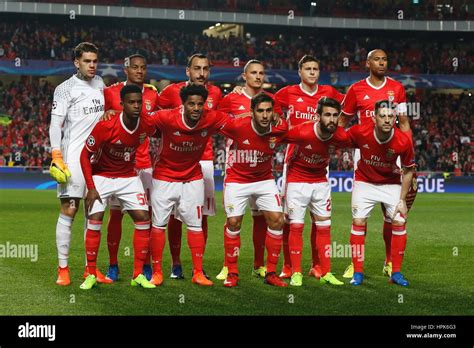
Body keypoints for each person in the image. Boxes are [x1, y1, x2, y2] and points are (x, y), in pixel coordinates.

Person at [339, 49, 417, 279]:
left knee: (391, 214)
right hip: (364, 152)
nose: (382, 63)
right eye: (377, 59)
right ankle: (356, 266)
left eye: (385, 59)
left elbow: (403, 122)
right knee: (360, 214)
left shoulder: (397, 88)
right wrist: (333, 145)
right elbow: (343, 121)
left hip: (392, 152)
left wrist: (408, 159)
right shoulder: (356, 89)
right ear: (368, 63)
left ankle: (390, 262)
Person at [144, 83, 230, 287]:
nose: (196, 108)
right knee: (158, 225)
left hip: (192, 179)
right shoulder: (165, 117)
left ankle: (197, 272)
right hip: (164, 178)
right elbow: (142, 122)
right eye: (191, 104)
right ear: (183, 104)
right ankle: (157, 272)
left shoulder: (211, 117)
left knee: (195, 225)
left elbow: (235, 124)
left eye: (200, 104)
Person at [274, 54, 345, 280]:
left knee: (319, 219)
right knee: (290, 219)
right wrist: (280, 122)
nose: (312, 72)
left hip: (320, 164)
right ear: (300, 72)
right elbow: (269, 104)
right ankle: (288, 265)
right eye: (308, 69)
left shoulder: (330, 93)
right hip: (294, 160)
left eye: (315, 68)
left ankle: (317, 266)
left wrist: (336, 134)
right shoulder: (288, 92)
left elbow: (350, 106)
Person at [79, 84, 155, 290]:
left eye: (139, 102)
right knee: (95, 219)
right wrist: (91, 187)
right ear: (122, 104)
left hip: (128, 177)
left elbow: (161, 128)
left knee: (143, 218)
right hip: (102, 176)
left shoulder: (146, 123)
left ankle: (138, 274)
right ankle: (92, 273)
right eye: (131, 102)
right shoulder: (106, 125)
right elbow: (84, 155)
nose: (136, 106)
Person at [216, 59, 282, 280]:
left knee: (262, 219)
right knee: (234, 220)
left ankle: (259, 265)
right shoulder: (232, 98)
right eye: (253, 73)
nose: (258, 76)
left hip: (263, 170)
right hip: (237, 166)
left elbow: (279, 123)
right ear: (244, 76)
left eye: (261, 73)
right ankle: (229, 267)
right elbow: (218, 119)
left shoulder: (272, 100)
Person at [158, 53, 222, 279]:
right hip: (175, 161)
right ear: (188, 71)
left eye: (206, 69)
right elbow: (155, 118)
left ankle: (198, 266)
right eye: (197, 68)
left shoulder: (215, 93)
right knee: (175, 215)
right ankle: (175, 264)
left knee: (200, 216)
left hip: (203, 161)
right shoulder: (170, 93)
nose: (201, 74)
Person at [49, 42, 107, 286]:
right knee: (70, 210)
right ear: (77, 62)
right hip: (73, 158)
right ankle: (63, 269)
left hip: (97, 159)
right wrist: (56, 156)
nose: (92, 65)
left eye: (95, 61)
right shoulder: (65, 89)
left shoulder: (101, 83)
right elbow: (55, 125)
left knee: (94, 214)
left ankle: (90, 270)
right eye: (87, 61)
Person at [102, 54, 160, 282]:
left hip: (143, 165)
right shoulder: (110, 92)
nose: (139, 71)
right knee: (115, 216)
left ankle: (144, 265)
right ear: (125, 69)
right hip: (117, 165)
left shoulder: (153, 93)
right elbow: (102, 121)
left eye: (143, 68)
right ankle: (113, 265)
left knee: (145, 217)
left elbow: (161, 119)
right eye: (135, 68)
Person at [346, 100, 415, 287]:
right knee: (359, 221)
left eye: (390, 116)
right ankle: (358, 272)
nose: (387, 120)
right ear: (374, 117)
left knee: (400, 219)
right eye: (382, 116)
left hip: (391, 183)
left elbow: (408, 170)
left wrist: (402, 200)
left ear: (395, 119)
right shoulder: (360, 132)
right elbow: (340, 138)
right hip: (364, 182)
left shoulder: (403, 140)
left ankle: (396, 272)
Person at [283, 97, 348, 287]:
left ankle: (326, 271)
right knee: (296, 226)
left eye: (335, 115)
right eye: (327, 115)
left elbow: (362, 142)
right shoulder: (302, 131)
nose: (332, 119)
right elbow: (276, 137)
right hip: (297, 181)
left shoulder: (340, 136)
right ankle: (296, 272)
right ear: (317, 116)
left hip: (321, 182)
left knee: (324, 227)